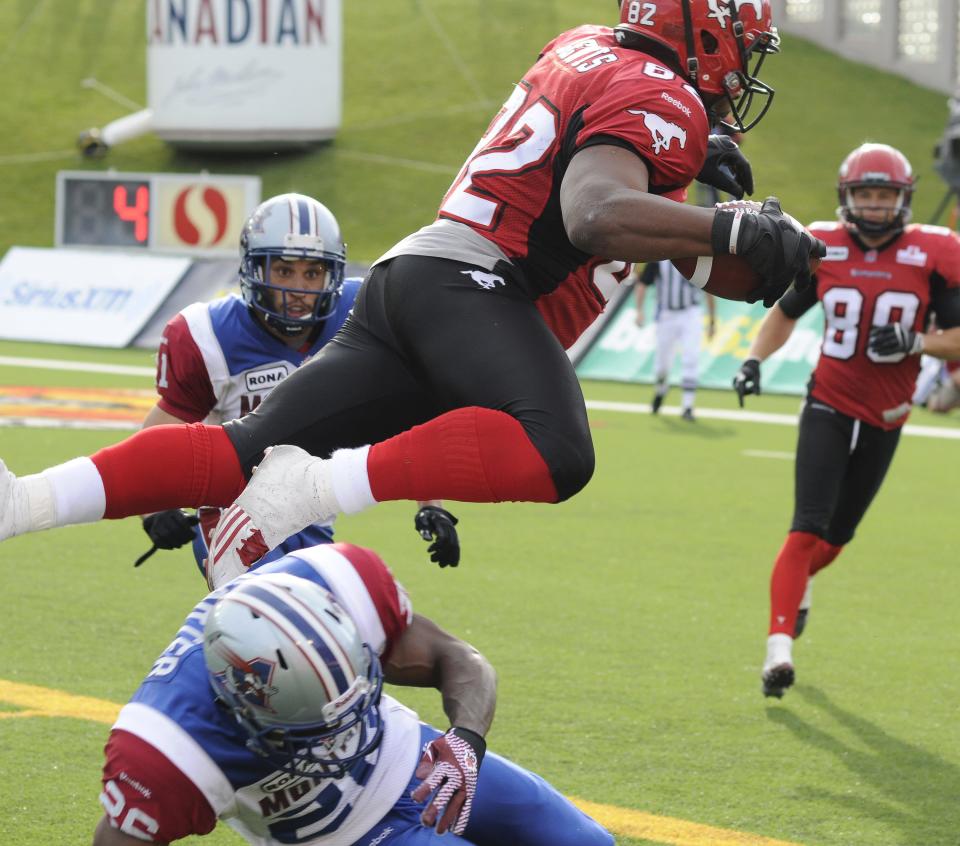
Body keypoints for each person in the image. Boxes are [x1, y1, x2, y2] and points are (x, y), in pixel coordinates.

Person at [2, 1, 822, 589]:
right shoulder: (660, 96)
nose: (747, 69)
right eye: (745, 47)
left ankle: (26, 500)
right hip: (475, 287)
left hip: (417, 282)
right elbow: (596, 213)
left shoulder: (587, 48)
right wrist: (729, 231)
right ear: (707, 31)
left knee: (235, 452)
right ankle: (312, 488)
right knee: (560, 451)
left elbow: (658, 230)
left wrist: (730, 230)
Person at [92, 542, 613, 845]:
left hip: (412, 757)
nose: (343, 734)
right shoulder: (167, 751)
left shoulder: (338, 583)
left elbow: (460, 659)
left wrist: (465, 744)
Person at [731, 143, 960, 699]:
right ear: (847, 198)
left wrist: (917, 342)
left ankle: (800, 585)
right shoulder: (825, 246)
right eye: (866, 194)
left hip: (888, 410)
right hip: (827, 400)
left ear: (903, 201)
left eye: (885, 196)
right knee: (806, 524)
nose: (876, 206)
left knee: (836, 536)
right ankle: (777, 651)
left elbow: (956, 337)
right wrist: (754, 360)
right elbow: (785, 312)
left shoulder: (934, 252)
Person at [134, 192, 461, 572]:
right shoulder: (207, 335)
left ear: (333, 272)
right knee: (267, 613)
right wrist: (155, 510)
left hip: (310, 516)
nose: (300, 290)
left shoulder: (361, 315)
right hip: (231, 513)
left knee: (322, 621)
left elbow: (406, 421)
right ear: (255, 269)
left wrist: (430, 507)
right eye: (284, 271)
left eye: (312, 272)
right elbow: (161, 431)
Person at [634, 259, 716, 421]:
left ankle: (687, 406)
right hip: (666, 314)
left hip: (690, 312)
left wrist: (712, 320)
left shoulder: (695, 258)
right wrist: (639, 310)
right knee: (662, 366)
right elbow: (643, 283)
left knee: (691, 358)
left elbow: (709, 287)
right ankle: (661, 389)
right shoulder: (659, 259)